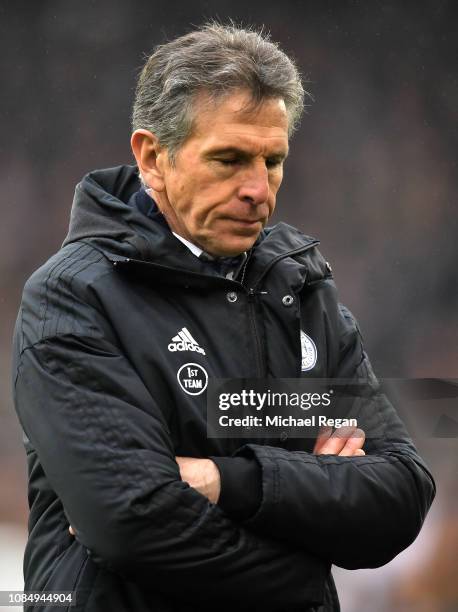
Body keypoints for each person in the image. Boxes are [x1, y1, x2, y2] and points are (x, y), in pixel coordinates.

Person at [12, 23, 435, 612]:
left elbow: (400, 495)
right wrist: (309, 563)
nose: (259, 190)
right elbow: (132, 523)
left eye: (274, 160)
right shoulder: (76, 297)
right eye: (230, 159)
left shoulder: (303, 293)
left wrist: (226, 481)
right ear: (152, 157)